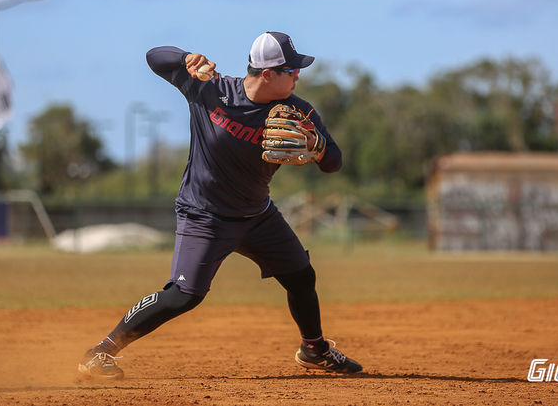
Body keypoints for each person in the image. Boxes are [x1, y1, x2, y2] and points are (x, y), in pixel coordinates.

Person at [77, 31, 362, 379]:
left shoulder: (297, 111)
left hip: (258, 216)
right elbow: (154, 57)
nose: (298, 75)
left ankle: (314, 350)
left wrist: (318, 146)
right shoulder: (210, 88)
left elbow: (334, 161)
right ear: (267, 73)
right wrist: (186, 58)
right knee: (184, 294)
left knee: (302, 276)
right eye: (291, 69)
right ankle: (100, 353)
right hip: (204, 216)